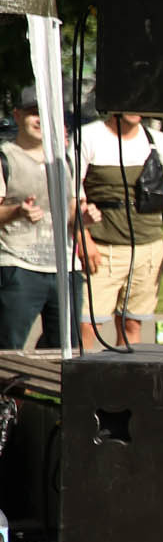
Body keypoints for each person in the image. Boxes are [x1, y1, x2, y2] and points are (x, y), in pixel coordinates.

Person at [78, 111, 163, 347]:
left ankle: (124, 380)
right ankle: (86, 379)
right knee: (88, 324)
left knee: (132, 324)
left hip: (147, 249)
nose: (136, 109)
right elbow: (71, 195)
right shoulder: (88, 136)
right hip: (102, 249)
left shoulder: (157, 140)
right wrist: (83, 239)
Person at [0, 88, 88, 350]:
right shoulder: (5, 158)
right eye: (33, 113)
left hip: (65, 268)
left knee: (66, 350)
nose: (40, 120)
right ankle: (8, 391)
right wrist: (17, 211)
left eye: (46, 114)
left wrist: (84, 218)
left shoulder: (64, 161)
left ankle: (50, 392)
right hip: (18, 265)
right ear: (17, 116)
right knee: (8, 349)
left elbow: (71, 210)